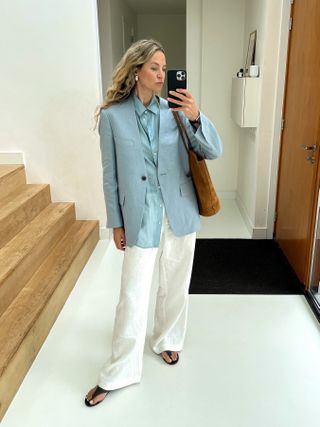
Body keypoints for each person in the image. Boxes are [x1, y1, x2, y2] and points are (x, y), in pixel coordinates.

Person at [85, 39, 222, 407]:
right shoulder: (113, 117)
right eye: (154, 68)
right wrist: (116, 222)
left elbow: (213, 150)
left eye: (165, 68)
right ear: (136, 71)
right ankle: (120, 370)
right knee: (132, 294)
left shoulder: (175, 112)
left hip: (179, 210)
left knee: (176, 283)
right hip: (140, 215)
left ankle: (166, 340)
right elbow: (110, 175)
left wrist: (195, 115)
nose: (162, 74)